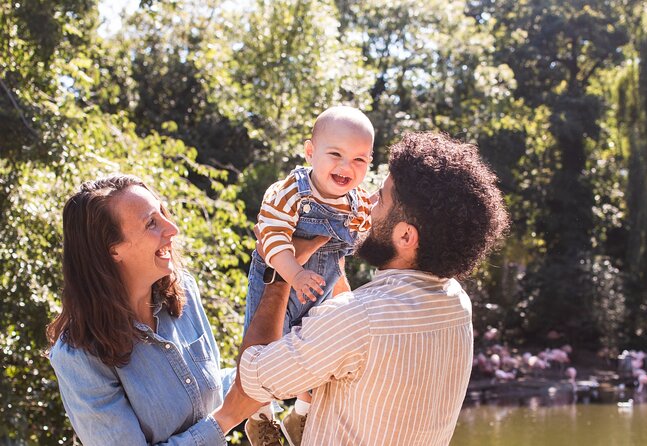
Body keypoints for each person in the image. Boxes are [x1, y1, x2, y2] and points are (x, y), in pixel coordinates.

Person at [219, 132, 510, 445]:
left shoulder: (359, 321)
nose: (368, 204)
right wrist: (333, 266)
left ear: (406, 237)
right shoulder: (457, 304)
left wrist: (278, 273)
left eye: (381, 199)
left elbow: (252, 379)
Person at [47, 175, 232, 445]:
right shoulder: (78, 356)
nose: (173, 229)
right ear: (113, 251)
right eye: (151, 224)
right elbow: (224, 413)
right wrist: (226, 419)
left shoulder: (184, 293)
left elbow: (209, 393)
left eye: (162, 213)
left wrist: (268, 374)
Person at [243, 106, 374, 444]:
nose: (347, 167)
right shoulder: (290, 192)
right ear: (310, 152)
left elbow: (363, 235)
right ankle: (260, 419)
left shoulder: (357, 203)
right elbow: (270, 239)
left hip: (321, 289)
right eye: (336, 155)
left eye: (360, 160)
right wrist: (295, 274)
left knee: (323, 353)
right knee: (264, 348)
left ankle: (300, 416)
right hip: (280, 276)